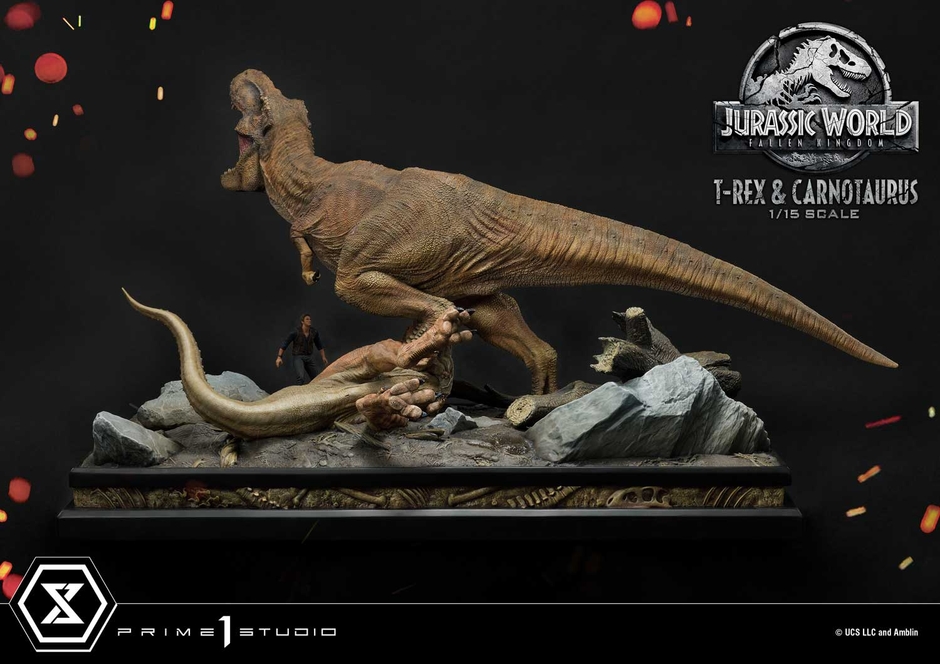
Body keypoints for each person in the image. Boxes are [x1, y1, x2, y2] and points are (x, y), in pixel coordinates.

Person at [276, 314, 329, 384]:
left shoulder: (314, 332)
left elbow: (319, 345)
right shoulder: (295, 332)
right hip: (298, 357)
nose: (309, 320)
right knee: (301, 378)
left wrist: (323, 357)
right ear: (302, 321)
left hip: (308, 357)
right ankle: (299, 390)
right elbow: (285, 344)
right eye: (307, 319)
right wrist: (279, 357)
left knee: (316, 378)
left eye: (310, 319)